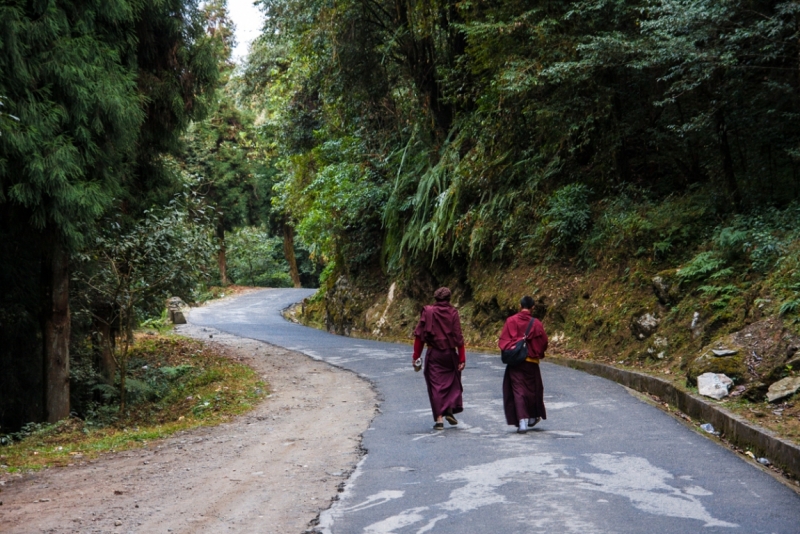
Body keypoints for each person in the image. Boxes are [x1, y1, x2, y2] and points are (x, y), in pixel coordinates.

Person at [412, 287, 466, 430]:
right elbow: (458, 337)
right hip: (450, 354)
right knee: (452, 382)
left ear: (435, 298)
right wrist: (462, 358)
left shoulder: (428, 312)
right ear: (449, 299)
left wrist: (416, 356)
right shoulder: (453, 313)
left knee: (436, 385)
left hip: (434, 353)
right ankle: (449, 410)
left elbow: (419, 336)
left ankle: (439, 419)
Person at [498, 296, 548, 433]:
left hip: (516, 363)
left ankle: (522, 422)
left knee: (518, 391)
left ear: (520, 306)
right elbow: (543, 342)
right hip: (531, 362)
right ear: (533, 308)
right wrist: (538, 353)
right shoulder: (536, 323)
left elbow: (503, 342)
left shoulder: (511, 321)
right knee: (533, 390)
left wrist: (514, 348)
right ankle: (532, 417)